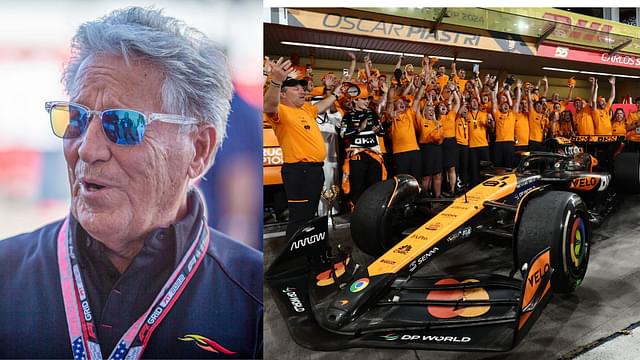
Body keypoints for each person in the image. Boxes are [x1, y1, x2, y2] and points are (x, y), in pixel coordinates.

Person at [0, 7, 262, 359]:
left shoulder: (253, 299)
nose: (88, 149)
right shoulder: (6, 272)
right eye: (75, 118)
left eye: (122, 124)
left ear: (198, 148)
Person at [264, 57, 337, 241]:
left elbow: (321, 106)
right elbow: (268, 105)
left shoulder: (305, 109)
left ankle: (309, 254)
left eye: (302, 88)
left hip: (314, 171)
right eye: (295, 89)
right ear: (283, 94)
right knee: (299, 219)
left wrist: (336, 94)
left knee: (310, 217)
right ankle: (292, 261)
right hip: (299, 172)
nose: (302, 91)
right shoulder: (279, 110)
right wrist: (276, 81)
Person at [340, 85, 386, 208]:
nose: (367, 102)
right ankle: (356, 214)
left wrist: (377, 131)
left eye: (368, 99)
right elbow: (343, 134)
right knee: (357, 187)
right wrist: (359, 128)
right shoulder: (348, 116)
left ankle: (374, 213)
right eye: (364, 99)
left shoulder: (373, 114)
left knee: (375, 187)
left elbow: (382, 132)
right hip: (357, 157)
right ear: (355, 100)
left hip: (374, 156)